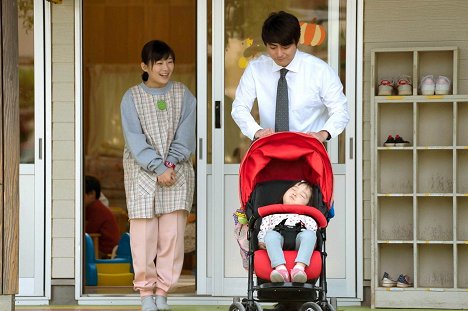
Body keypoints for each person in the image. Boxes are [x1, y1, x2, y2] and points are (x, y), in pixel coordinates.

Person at [121, 39, 196, 311]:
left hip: (176, 173)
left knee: (172, 237)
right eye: (159, 63)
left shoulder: (183, 94)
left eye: (169, 61)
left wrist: (171, 164)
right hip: (142, 173)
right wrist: (157, 166)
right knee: (143, 237)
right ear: (145, 66)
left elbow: (186, 136)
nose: (166, 68)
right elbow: (134, 138)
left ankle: (163, 292)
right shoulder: (131, 97)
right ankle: (145, 293)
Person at [231, 11, 349, 142]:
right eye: (273, 47)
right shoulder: (255, 69)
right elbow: (239, 107)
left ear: (296, 42)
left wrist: (323, 134)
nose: (279, 53)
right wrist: (256, 131)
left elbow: (340, 110)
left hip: (309, 149)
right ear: (266, 45)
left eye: (286, 47)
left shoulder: (320, 71)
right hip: (269, 148)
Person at [257, 181, 317, 283]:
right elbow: (263, 229)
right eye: (293, 189)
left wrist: (312, 242)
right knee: (270, 235)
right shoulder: (271, 214)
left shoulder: (308, 217)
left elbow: (313, 233)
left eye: (302, 195)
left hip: (299, 240)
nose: (295, 193)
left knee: (310, 235)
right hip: (278, 240)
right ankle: (280, 269)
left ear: (308, 204)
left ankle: (299, 268)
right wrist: (261, 241)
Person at [84, 175, 120, 259]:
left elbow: (88, 231)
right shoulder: (93, 207)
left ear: (92, 194)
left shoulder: (97, 209)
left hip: (106, 252)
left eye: (82, 194)